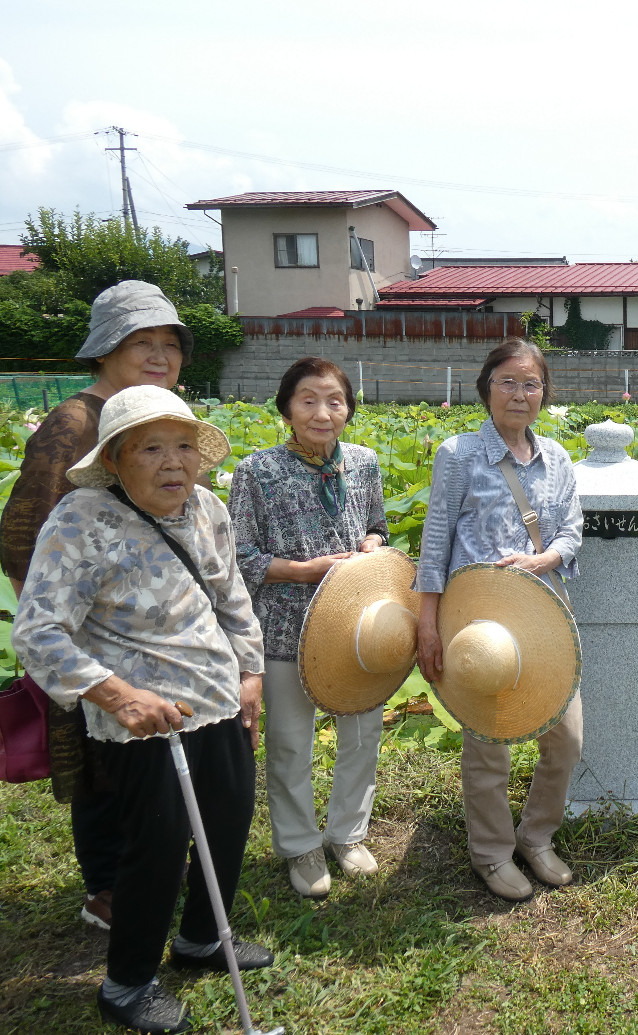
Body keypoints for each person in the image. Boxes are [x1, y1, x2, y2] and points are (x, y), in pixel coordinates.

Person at [13, 385, 269, 1035]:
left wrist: (251, 673)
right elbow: (38, 631)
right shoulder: (80, 519)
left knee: (230, 819)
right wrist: (117, 693)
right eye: (151, 448)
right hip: (142, 718)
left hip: (216, 696)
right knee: (155, 845)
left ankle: (202, 939)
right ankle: (127, 982)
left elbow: (233, 596)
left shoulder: (208, 508)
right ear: (116, 459)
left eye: (184, 446)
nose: (173, 462)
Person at [0, 280, 195, 932]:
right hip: (94, 633)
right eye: (143, 341)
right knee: (101, 761)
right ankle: (107, 889)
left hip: (151, 628)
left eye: (170, 342)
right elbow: (23, 533)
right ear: (107, 346)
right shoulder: (75, 424)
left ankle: (144, 870)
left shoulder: (152, 417)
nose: (160, 354)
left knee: (140, 752)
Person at [414, 338, 583, 902]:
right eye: (507, 381)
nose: (519, 393)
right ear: (486, 387)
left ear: (544, 393)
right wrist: (428, 624)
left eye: (530, 383)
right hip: (480, 623)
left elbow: (571, 530)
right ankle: (490, 851)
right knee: (490, 743)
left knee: (566, 736)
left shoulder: (558, 457)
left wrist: (544, 557)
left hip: (544, 615)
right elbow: (435, 543)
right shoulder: (459, 453)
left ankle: (536, 837)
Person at [228, 357, 389, 899]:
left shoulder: (364, 463)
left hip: (355, 623)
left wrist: (371, 544)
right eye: (308, 401)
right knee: (291, 742)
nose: (323, 413)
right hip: (283, 625)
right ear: (287, 408)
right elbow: (239, 555)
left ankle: (348, 834)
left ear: (348, 408)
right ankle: (299, 844)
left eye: (335, 401)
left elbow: (375, 526)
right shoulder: (257, 471)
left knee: (362, 734)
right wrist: (301, 571)